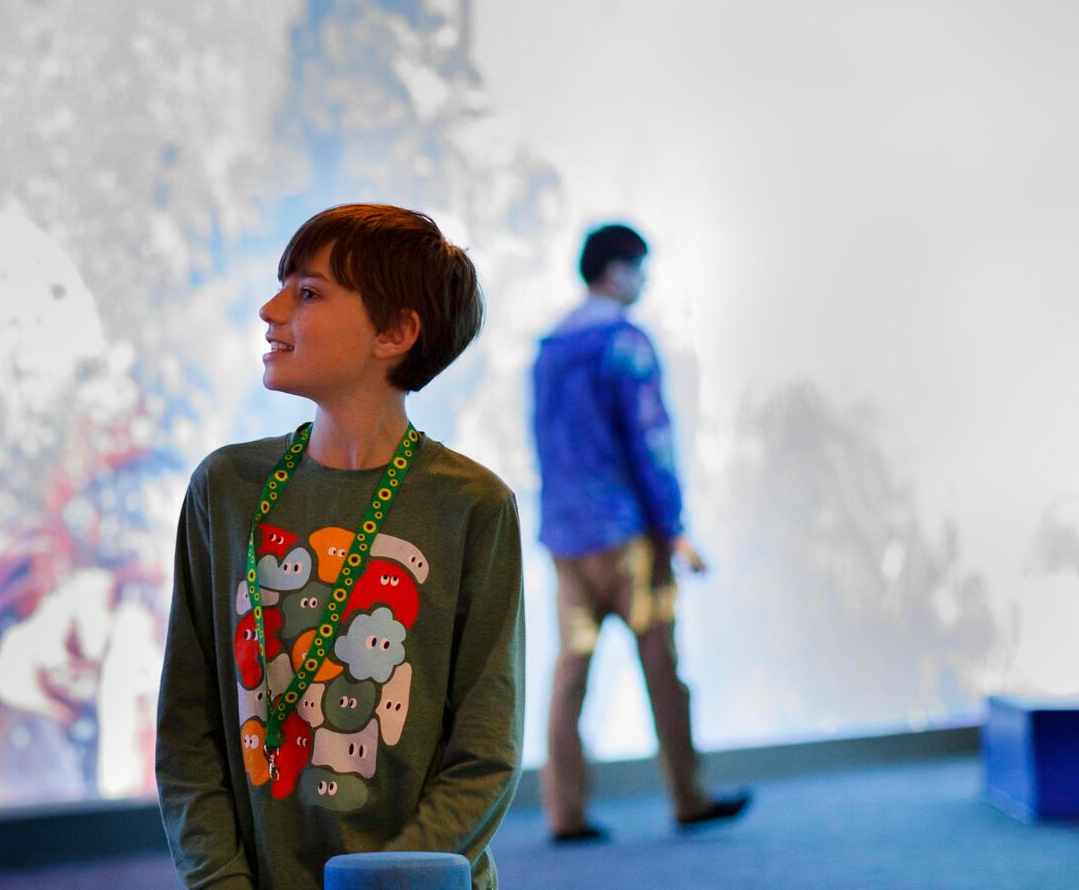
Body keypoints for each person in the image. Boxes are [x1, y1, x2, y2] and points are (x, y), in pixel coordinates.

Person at [156, 204, 524, 890]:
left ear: (395, 331)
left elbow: (486, 753)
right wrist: (220, 880)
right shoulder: (227, 488)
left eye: (307, 293)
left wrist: (389, 882)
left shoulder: (473, 505)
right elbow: (187, 731)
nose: (270, 310)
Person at [529, 223, 749, 842]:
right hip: (627, 534)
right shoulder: (624, 342)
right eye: (641, 269)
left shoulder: (549, 349)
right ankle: (689, 795)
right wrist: (673, 527)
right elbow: (650, 437)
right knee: (662, 667)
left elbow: (548, 443)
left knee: (570, 674)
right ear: (618, 271)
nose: (646, 282)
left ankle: (562, 810)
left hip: (568, 536)